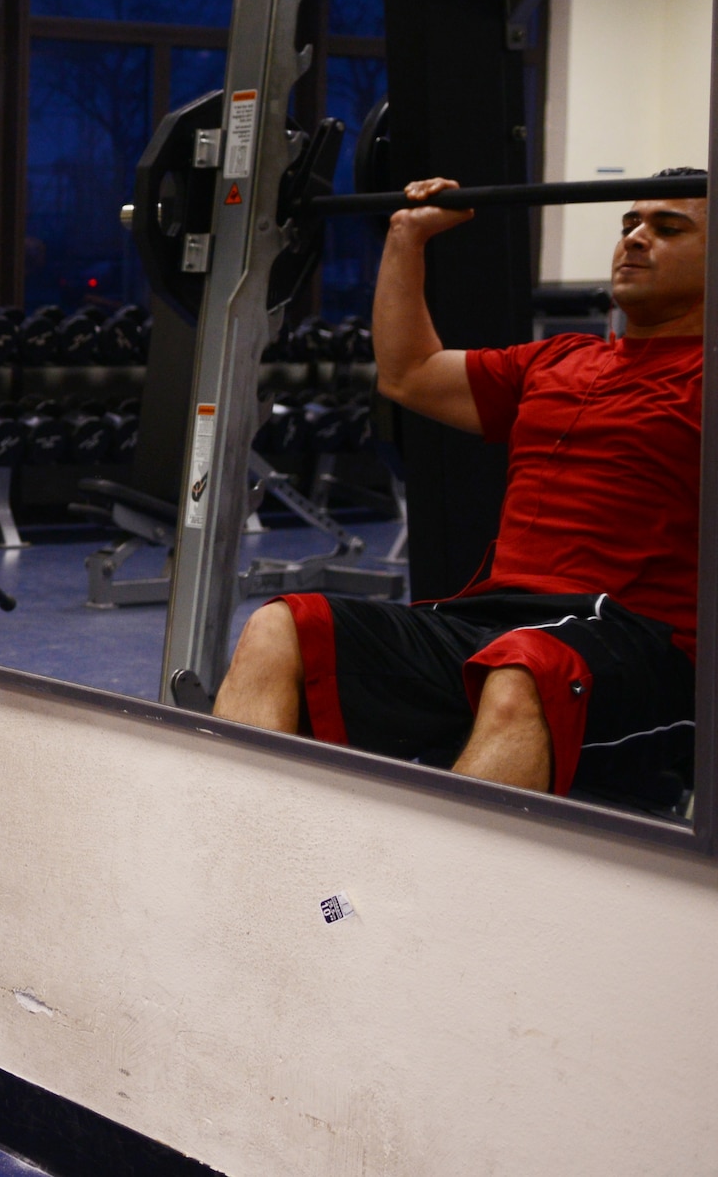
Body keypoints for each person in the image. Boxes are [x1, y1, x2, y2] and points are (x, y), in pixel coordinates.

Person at [214, 171, 705, 803]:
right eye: (629, 224)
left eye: (668, 229)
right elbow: (408, 372)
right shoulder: (556, 360)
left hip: (637, 640)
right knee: (281, 628)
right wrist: (405, 236)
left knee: (523, 670)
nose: (636, 239)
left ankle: (444, 898)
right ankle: (242, 860)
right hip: (492, 617)